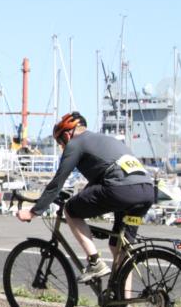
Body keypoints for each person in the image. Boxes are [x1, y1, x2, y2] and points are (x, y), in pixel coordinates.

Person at [17, 112, 154, 283]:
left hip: (121, 190)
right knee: (120, 249)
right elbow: (98, 183)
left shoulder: (75, 143)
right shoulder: (105, 140)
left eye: (60, 142)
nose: (62, 147)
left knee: (71, 210)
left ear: (67, 134)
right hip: (146, 192)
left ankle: (95, 262)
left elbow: (58, 181)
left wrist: (34, 212)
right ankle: (124, 306)